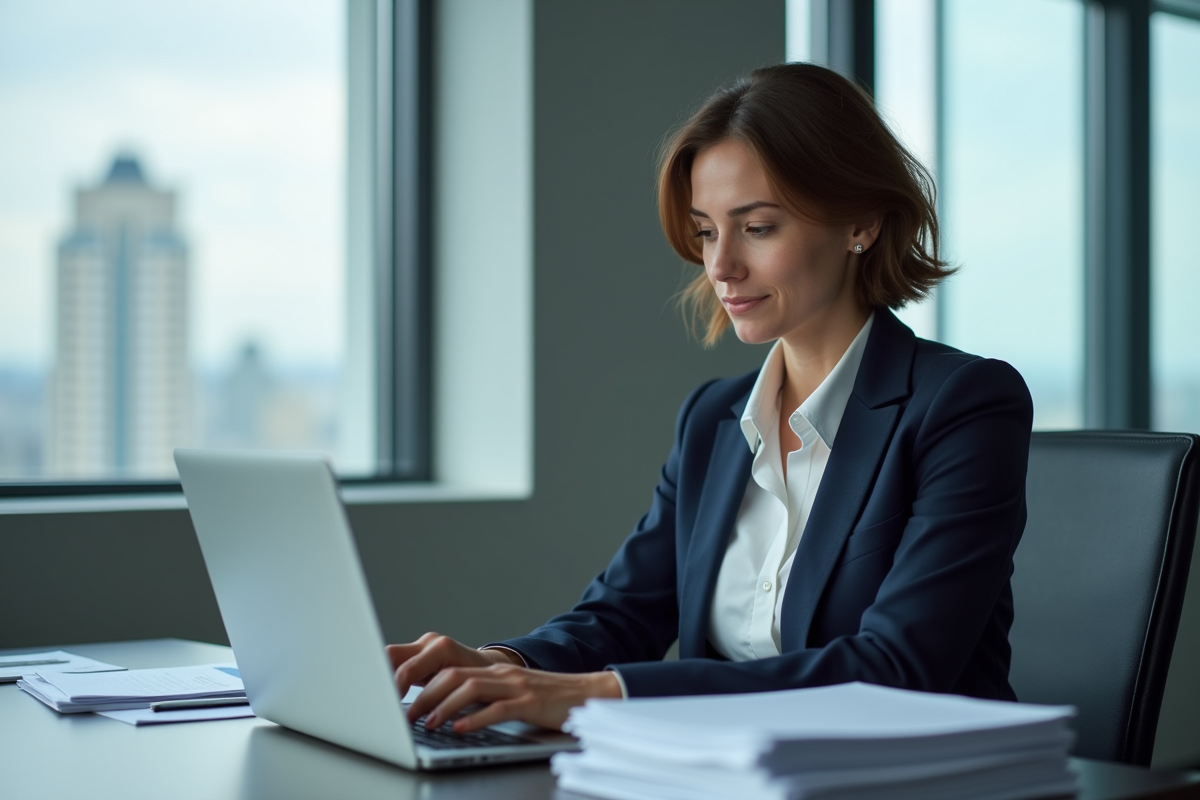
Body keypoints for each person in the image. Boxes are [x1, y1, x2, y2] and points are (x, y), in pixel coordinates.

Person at [388, 63, 1033, 736]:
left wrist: (598, 695)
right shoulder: (714, 420)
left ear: (861, 224)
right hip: (726, 772)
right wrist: (497, 666)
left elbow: (896, 668)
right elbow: (623, 614)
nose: (719, 265)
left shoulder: (963, 405)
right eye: (705, 230)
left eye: (756, 227)